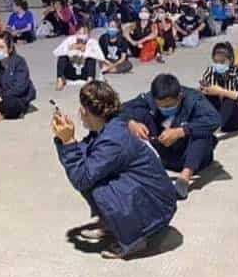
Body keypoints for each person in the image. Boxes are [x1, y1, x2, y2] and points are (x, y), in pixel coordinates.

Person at [52, 81, 178, 259]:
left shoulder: (113, 138)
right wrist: (65, 140)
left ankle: (133, 239)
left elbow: (81, 177)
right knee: (93, 175)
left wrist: (68, 142)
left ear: (85, 111)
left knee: (98, 187)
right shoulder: (107, 128)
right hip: (154, 199)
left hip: (157, 207)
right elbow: (84, 155)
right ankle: (115, 225)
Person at [118, 74, 221, 199]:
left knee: (201, 130)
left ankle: (184, 179)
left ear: (180, 96)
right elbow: (120, 110)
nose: (165, 109)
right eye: (161, 106)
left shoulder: (194, 99)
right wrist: (131, 123)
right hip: (163, 151)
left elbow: (215, 120)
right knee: (135, 115)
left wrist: (181, 131)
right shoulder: (149, 98)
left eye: (169, 106)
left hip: (191, 155)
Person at [199, 42, 238, 133]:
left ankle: (217, 127)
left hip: (235, 119)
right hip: (215, 114)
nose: (218, 65)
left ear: (230, 60)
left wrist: (221, 91)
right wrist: (204, 89)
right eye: (216, 62)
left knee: (229, 97)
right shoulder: (210, 71)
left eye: (222, 62)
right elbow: (202, 91)